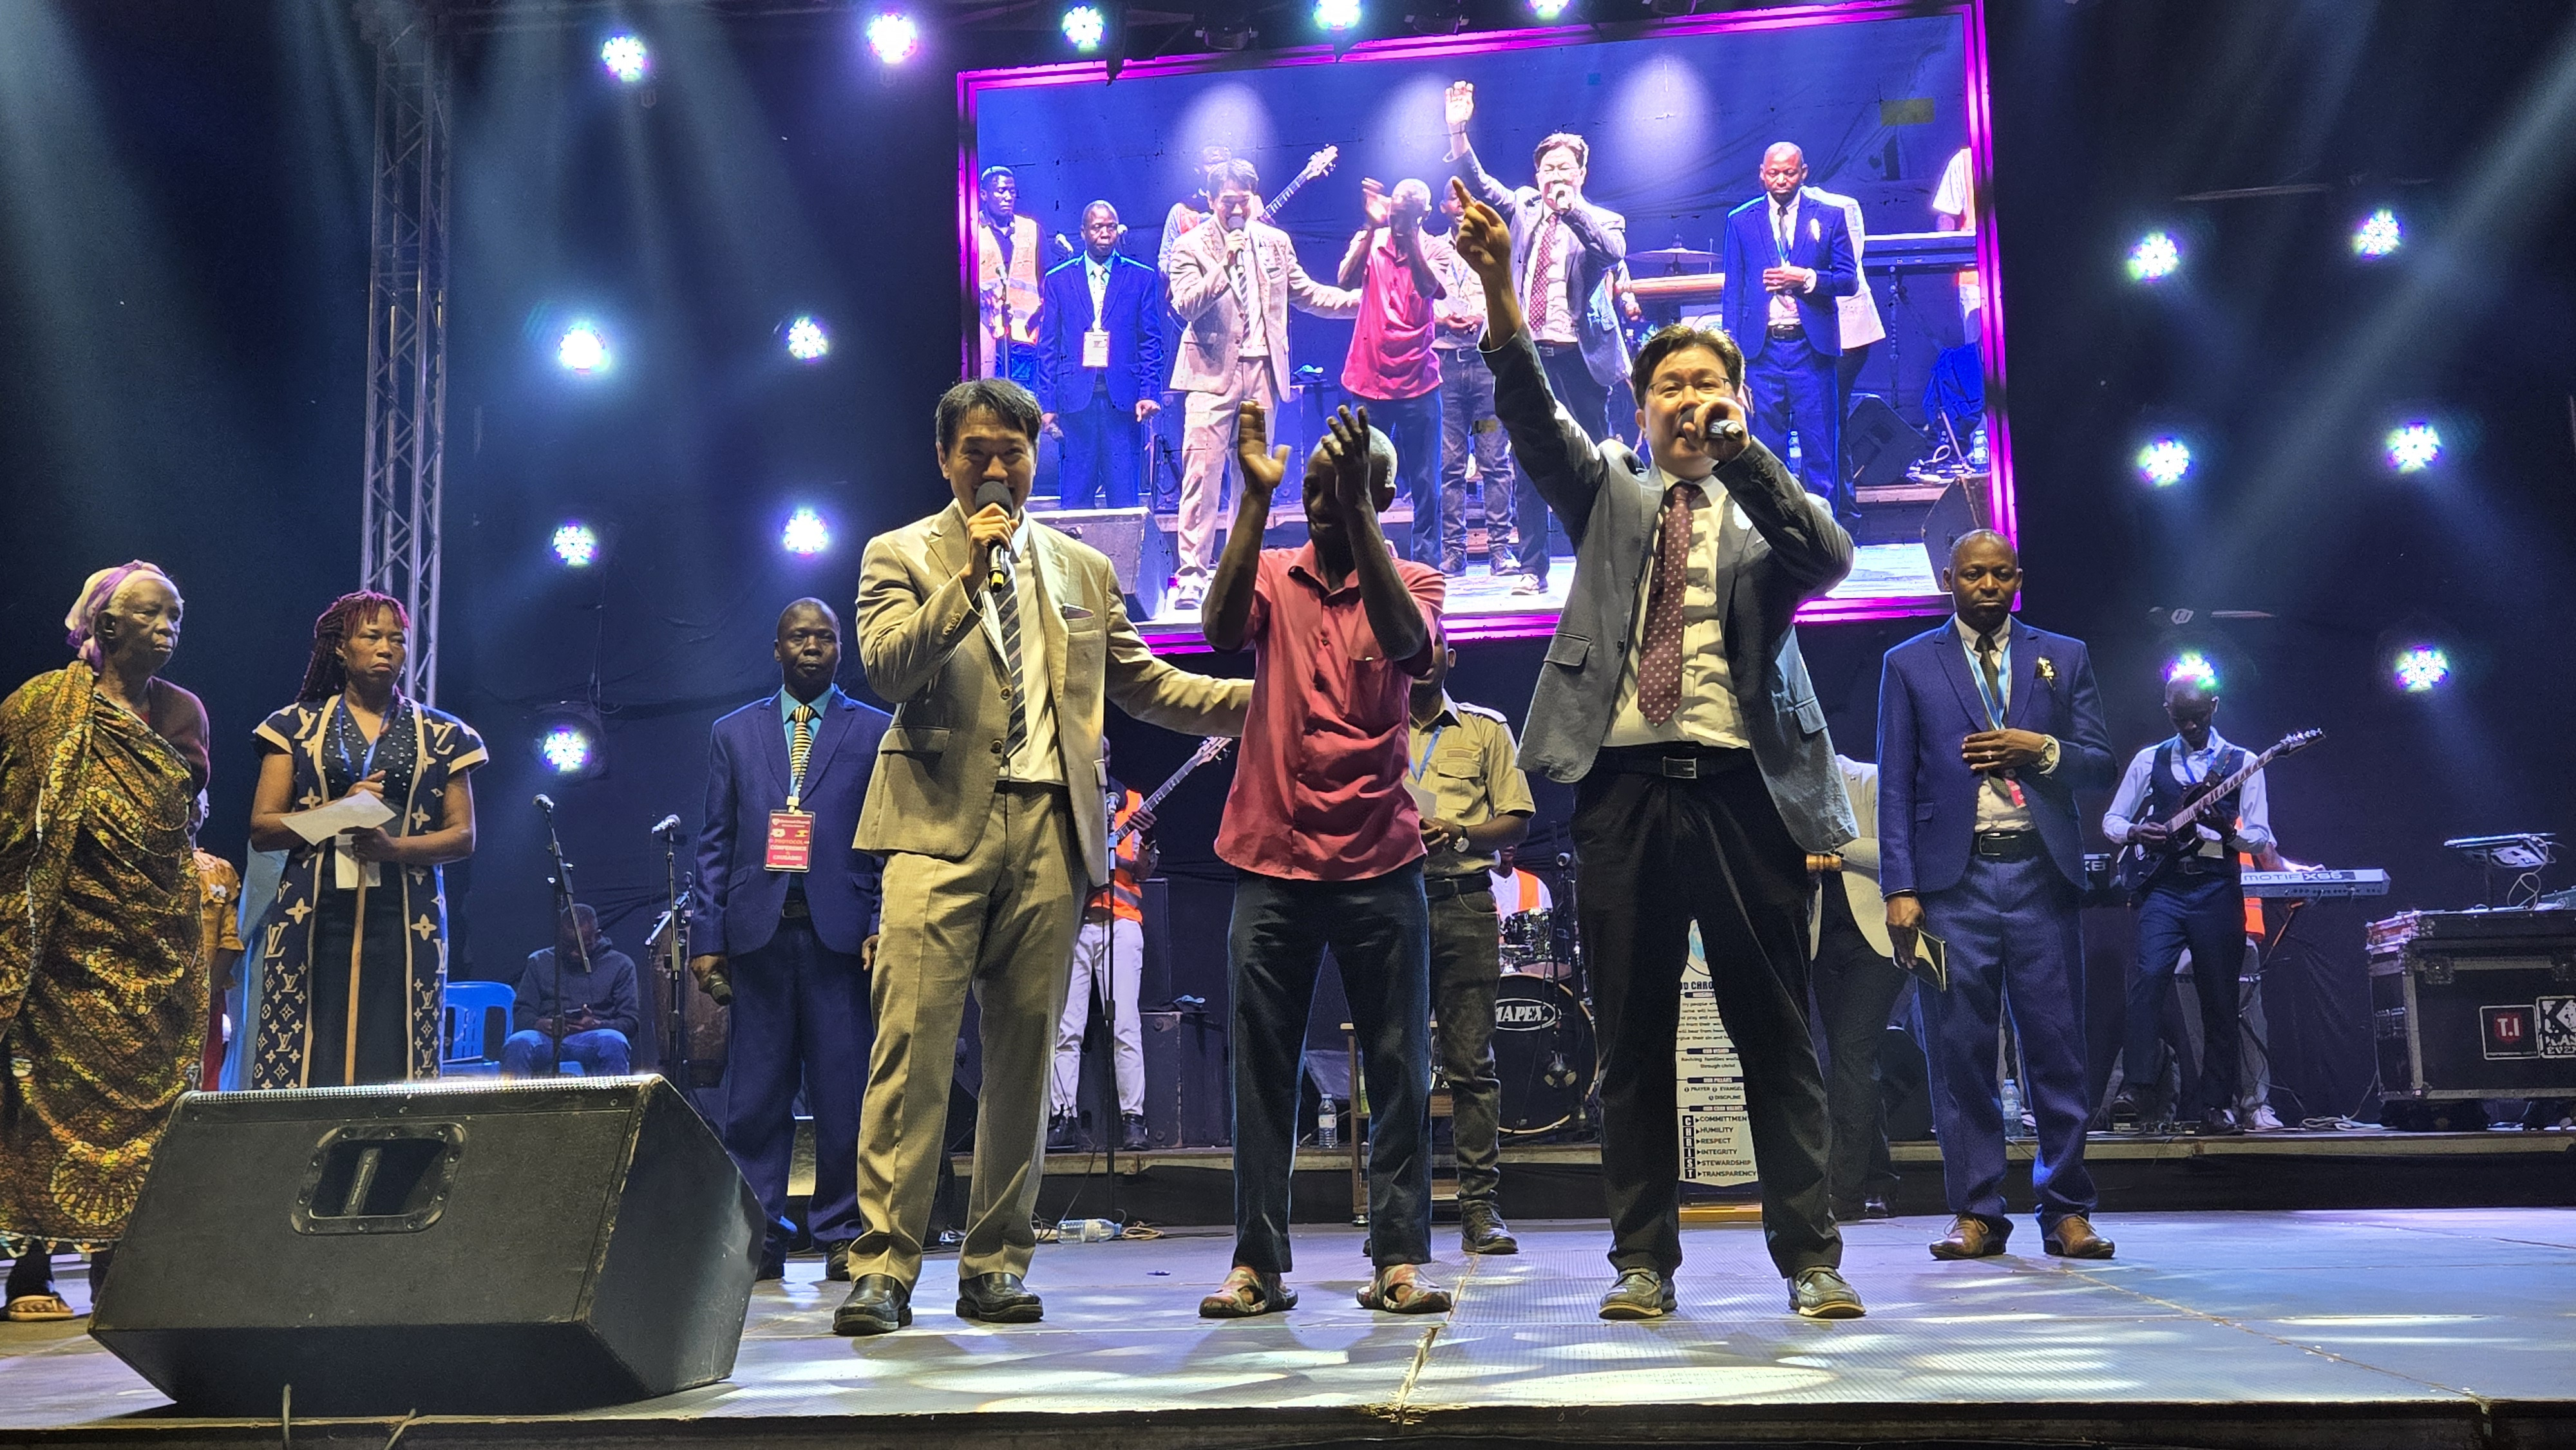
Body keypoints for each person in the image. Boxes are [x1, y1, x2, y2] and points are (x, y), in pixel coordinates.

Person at [1453, 184, 1866, 1323]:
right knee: (1632, 1041)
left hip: (1746, 792)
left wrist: (1744, 454)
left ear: (1738, 401)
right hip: (1626, 789)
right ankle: (1643, 1261)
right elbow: (1533, 414)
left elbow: (1830, 556)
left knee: (1774, 1031)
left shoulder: (1765, 507)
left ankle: (1811, 1258)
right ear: (1640, 408)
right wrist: (1498, 286)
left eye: (1707, 385)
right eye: (1670, 387)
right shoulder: (1610, 494)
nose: (1689, 400)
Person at [835, 378, 1249, 1337]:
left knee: (1026, 1058)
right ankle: (884, 1267)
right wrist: (966, 579)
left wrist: (1262, 702)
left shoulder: (1080, 567)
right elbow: (890, 668)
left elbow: (1145, 685)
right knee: (911, 1052)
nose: (995, 468)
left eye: (1012, 452)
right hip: (934, 828)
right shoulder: (900, 552)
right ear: (944, 458)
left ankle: (994, 1265)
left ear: (1035, 457)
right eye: (976, 451)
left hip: (1053, 828)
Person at [1195, 400, 1450, 1320]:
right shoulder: (1273, 570)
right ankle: (1257, 1262)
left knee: (1398, 1067)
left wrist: (1361, 514)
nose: (1322, 503)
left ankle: (1399, 1258)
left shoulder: (1414, 578)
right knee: (1262, 1069)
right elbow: (1219, 629)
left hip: (1380, 858)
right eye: (1313, 489)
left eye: (1340, 489)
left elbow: (1410, 646)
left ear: (1380, 494)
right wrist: (1255, 498)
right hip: (1272, 855)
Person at [1877, 530, 2116, 1261]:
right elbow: (1895, 784)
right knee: (1959, 1052)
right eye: (1974, 574)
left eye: (2001, 574)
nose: (1988, 585)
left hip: (2042, 876)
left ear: (2018, 578)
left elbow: (2099, 763)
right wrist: (1900, 887)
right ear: (1947, 579)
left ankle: (2067, 1209)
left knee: (2057, 1049)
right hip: (1951, 885)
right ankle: (1976, 1211)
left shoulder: (2063, 654)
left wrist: (2038, 749)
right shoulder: (1908, 663)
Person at [2, 563, 207, 1323]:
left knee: (143, 1102)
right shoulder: (38, 707)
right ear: (107, 624)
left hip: (150, 934)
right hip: (60, 936)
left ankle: (117, 1261)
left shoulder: (182, 711)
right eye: (152, 613)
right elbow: (11, 819)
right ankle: (29, 1267)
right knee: (41, 1096)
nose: (168, 627)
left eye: (175, 615)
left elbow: (183, 817)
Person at [694, 598, 892, 1281]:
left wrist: (880, 921)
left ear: (842, 649)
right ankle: (760, 1237)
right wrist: (707, 934)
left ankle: (842, 1232)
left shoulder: (875, 730)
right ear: (776, 649)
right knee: (755, 1099)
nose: (811, 646)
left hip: (842, 938)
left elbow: (889, 839)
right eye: (798, 636)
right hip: (759, 936)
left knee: (844, 1095)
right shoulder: (733, 732)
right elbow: (715, 842)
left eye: (824, 637)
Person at [247, 592, 484, 1089]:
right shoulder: (293, 726)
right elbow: (263, 829)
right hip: (312, 913)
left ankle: (396, 1140)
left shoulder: (446, 735)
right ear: (340, 647)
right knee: (310, 1046)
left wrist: (392, 850)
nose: (386, 648)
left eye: (397, 639)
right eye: (371, 636)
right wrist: (338, 813)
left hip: (407, 918)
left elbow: (463, 837)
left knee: (395, 1047)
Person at [1444, 80, 1629, 593]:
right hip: (1529, 357)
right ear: (1537, 175)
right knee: (1526, 460)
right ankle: (1533, 568)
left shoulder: (1603, 219)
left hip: (1580, 360)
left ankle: (1597, 564)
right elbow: (1480, 186)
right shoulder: (1524, 208)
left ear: (1582, 174)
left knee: (1592, 461)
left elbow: (1610, 253)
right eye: (1548, 169)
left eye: (1565, 168)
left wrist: (1571, 211)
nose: (1555, 176)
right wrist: (1458, 132)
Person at [1164, 158, 1359, 610]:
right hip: (1210, 375)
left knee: (1252, 480)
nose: (1237, 209)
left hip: (1263, 374)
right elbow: (1186, 304)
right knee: (1201, 475)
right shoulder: (1190, 244)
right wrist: (1225, 264)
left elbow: (1307, 293)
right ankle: (1192, 575)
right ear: (1211, 200)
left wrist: (1360, 303)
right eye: (1228, 201)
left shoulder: (1275, 242)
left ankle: (1240, 569)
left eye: (1244, 200)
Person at [2101, 672, 2274, 1135]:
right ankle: (2138, 1086)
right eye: (2181, 719)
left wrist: (2230, 833)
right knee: (2148, 978)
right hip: (2164, 887)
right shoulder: (2150, 759)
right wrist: (2136, 832)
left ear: (2214, 706)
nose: (2191, 726)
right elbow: (2112, 819)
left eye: (2198, 717)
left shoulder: (2243, 762)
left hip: (2216, 886)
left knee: (2219, 996)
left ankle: (2217, 1104)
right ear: (2167, 712)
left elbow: (2261, 836)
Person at [1406, 643, 1535, 1256]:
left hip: (1463, 900)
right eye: (1408, 642)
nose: (1421, 654)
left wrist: (1458, 832)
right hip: (1388, 904)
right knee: (1394, 1066)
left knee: (1471, 1066)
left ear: (1450, 657)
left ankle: (1480, 1210)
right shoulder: (1366, 726)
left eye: (1432, 642)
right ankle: (1397, 1216)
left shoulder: (1485, 728)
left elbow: (1517, 819)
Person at [1721, 144, 1859, 523]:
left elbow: (1848, 280)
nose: (1781, 180)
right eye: (1774, 173)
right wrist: (1731, 361)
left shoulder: (1828, 216)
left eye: (1790, 173)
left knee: (1820, 451)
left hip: (1811, 351)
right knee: (1766, 453)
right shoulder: (1741, 221)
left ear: (1804, 173)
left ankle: (1823, 536)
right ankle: (1775, 536)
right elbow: (1733, 291)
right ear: (1762, 174)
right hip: (1761, 353)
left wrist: (1807, 278)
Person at [1808, 755, 1904, 1220]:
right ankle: (1879, 1181)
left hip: (1877, 941)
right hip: (1820, 943)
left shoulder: (1868, 777)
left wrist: (1831, 850)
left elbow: (1895, 850)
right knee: (1852, 1064)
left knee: (1852, 1054)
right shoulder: (1790, 787)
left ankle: (1843, 1193)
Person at [1337, 178, 1450, 574]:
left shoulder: (1435, 248)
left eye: (1408, 215)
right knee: (1362, 479)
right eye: (1395, 213)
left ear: (1424, 214)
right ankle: (1365, 562)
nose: (1398, 222)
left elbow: (1430, 287)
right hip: (1370, 381)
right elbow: (1346, 280)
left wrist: (1410, 237)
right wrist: (1372, 229)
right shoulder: (1371, 240)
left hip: (1419, 382)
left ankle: (1426, 568)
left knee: (1426, 483)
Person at [1047, 739, 1156, 1153]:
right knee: (1066, 1028)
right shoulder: (1068, 802)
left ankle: (1134, 1119)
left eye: (1105, 753)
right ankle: (1063, 1116)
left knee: (1125, 1025)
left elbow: (1142, 871)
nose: (1100, 759)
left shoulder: (1132, 802)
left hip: (1121, 924)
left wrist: (1149, 838)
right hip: (1075, 925)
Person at [1037, 202, 1164, 511]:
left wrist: (1149, 392)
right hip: (1075, 402)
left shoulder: (1140, 277)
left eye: (1111, 227)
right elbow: (1048, 345)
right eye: (1097, 227)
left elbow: (1150, 341)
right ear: (1083, 233)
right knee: (1075, 500)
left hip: (1123, 403)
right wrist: (1047, 404)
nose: (1105, 233)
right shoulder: (1059, 279)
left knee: (1124, 501)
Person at [1425, 185, 1520, 581]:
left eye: (1464, 200)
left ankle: (1500, 550)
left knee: (1492, 458)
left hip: (1484, 368)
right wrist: (1442, 320)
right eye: (1452, 199)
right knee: (1449, 464)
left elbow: (1510, 291)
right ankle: (1453, 553)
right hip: (1446, 368)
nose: (1460, 206)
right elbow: (1419, 299)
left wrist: (1485, 316)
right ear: (1443, 207)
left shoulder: (1495, 245)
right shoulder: (1431, 249)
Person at [1799, 184, 1886, 495]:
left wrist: (1806, 276)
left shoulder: (1839, 206)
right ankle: (1833, 503)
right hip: (1811, 329)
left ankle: (1838, 506)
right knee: (1826, 421)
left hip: (1845, 328)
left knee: (1830, 419)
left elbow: (1847, 265)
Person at [502, 903, 639, 1078]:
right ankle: (516, 1098)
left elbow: (630, 1022)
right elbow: (522, 1012)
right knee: (518, 1043)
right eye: (568, 946)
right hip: (546, 1039)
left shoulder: (620, 965)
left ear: (597, 936)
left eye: (583, 946)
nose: (575, 953)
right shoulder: (539, 962)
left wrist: (597, 1024)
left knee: (613, 1042)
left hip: (595, 1037)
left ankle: (615, 1097)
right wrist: (540, 1024)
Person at [191, 793, 246, 1092]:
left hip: (208, 995)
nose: (191, 805)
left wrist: (207, 992)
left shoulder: (220, 871)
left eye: (197, 800)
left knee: (206, 1077)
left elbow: (230, 938)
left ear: (207, 809)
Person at [974, 165, 1043, 384]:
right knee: (990, 395)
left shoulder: (1031, 229)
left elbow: (1047, 281)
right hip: (985, 334)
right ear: (984, 195)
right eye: (1001, 191)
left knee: (1021, 397)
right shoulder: (972, 230)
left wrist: (1039, 318)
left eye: (1012, 191)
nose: (1008, 197)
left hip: (1024, 335)